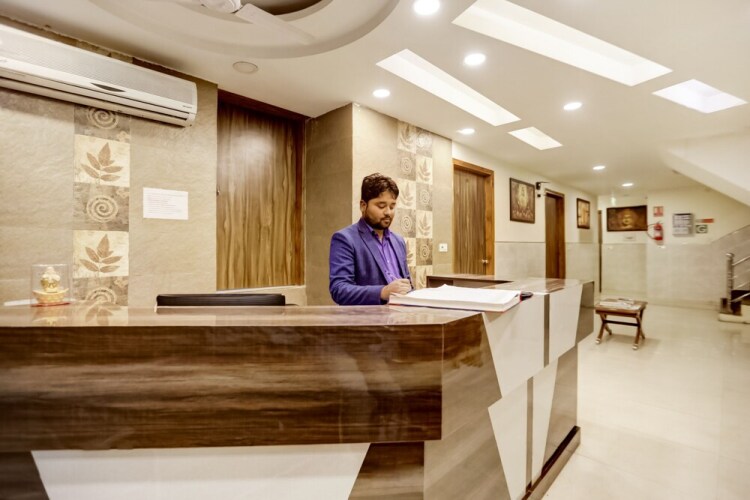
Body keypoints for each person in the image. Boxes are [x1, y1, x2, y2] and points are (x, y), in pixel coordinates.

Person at [329, 173, 412, 305]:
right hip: (369, 317)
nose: (388, 212)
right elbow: (340, 290)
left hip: (402, 313)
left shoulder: (399, 241)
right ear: (363, 205)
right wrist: (383, 292)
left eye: (392, 206)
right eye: (381, 206)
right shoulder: (345, 239)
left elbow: (407, 284)